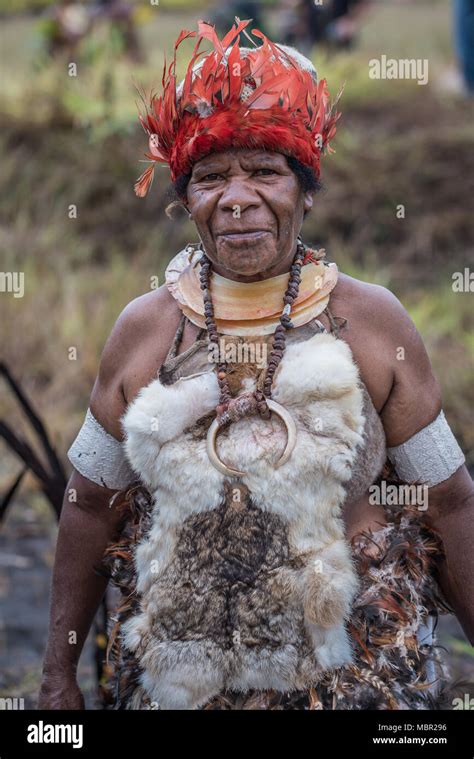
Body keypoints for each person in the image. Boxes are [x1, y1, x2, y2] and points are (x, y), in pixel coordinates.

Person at [39, 19, 474, 710]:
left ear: (306, 191)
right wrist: (57, 676)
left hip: (354, 676)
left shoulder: (374, 323)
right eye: (212, 177)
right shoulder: (145, 331)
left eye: (265, 172)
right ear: (186, 200)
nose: (237, 197)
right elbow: (91, 501)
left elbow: (446, 499)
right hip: (180, 676)